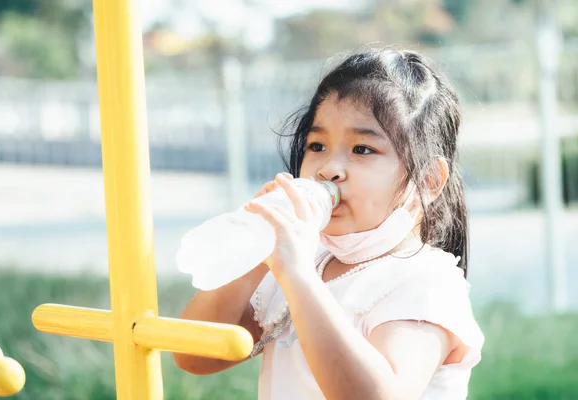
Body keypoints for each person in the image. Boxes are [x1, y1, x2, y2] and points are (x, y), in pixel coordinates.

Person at [173, 47, 484, 400]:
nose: (328, 168)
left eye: (362, 149)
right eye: (317, 145)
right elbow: (193, 354)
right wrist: (256, 252)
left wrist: (297, 275)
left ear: (427, 181)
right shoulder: (308, 261)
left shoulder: (425, 282)